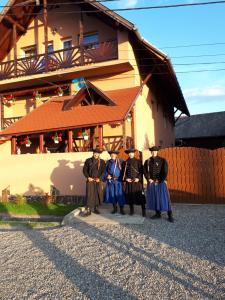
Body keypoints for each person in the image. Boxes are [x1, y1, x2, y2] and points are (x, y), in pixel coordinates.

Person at [144, 146, 174, 223]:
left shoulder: (162, 160)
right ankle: (158, 214)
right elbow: (145, 172)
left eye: (155, 151)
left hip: (161, 182)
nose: (154, 152)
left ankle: (170, 215)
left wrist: (160, 180)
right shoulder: (147, 161)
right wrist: (148, 179)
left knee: (165, 198)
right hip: (152, 183)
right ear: (151, 152)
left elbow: (165, 171)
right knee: (155, 198)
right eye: (152, 151)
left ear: (157, 152)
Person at [82, 148, 106, 216]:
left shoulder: (102, 162)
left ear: (99, 154)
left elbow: (104, 171)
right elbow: (84, 170)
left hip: (98, 180)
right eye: (95, 153)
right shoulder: (88, 160)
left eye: (98, 153)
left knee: (97, 194)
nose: (96, 154)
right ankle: (88, 209)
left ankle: (96, 208)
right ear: (93, 153)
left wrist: (100, 178)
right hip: (90, 180)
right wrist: (88, 177)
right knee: (89, 194)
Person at [123, 148, 146, 217]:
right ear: (128, 154)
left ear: (134, 153)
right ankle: (131, 210)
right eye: (129, 153)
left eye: (132, 153)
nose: (130, 154)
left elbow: (141, 171)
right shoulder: (125, 162)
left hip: (137, 182)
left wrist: (138, 178)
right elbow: (123, 173)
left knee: (140, 197)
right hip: (129, 182)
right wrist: (126, 179)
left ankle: (143, 211)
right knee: (130, 197)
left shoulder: (138, 161)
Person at [103, 150, 125, 215]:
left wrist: (123, 178)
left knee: (120, 195)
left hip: (118, 181)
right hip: (111, 181)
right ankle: (115, 209)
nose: (113, 155)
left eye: (114, 154)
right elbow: (105, 171)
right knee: (112, 195)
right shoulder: (107, 162)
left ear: (116, 155)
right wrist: (107, 176)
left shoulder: (121, 161)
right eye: (111, 154)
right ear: (110, 155)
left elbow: (124, 170)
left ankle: (121, 209)